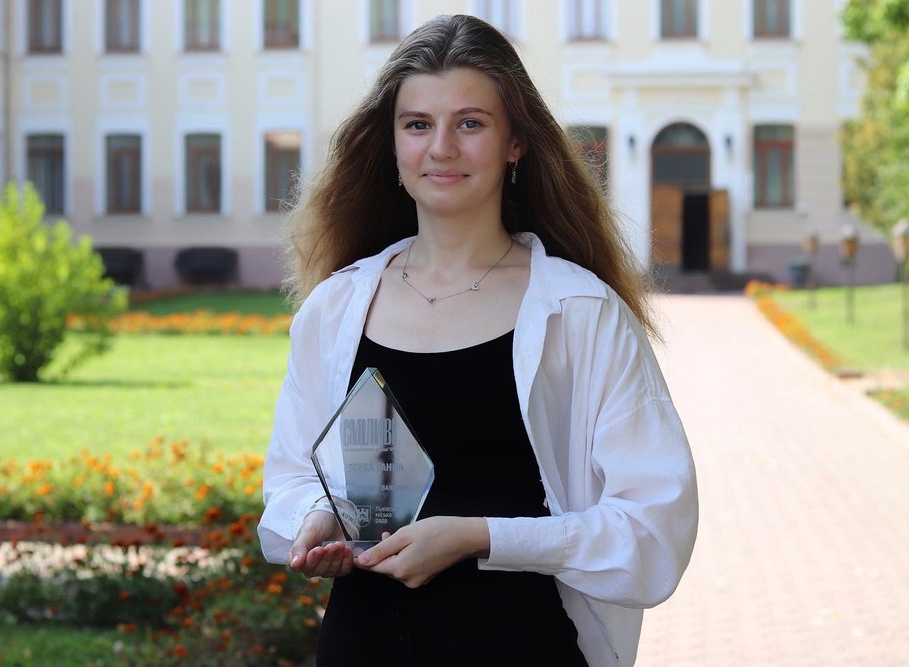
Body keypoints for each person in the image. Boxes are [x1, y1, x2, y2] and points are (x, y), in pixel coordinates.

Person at [257, 13, 698, 667]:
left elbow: (652, 527)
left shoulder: (581, 313)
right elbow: (291, 477)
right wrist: (317, 516)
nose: (441, 148)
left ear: (515, 143)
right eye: (417, 125)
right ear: (391, 144)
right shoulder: (335, 309)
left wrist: (480, 537)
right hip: (361, 647)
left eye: (470, 123)